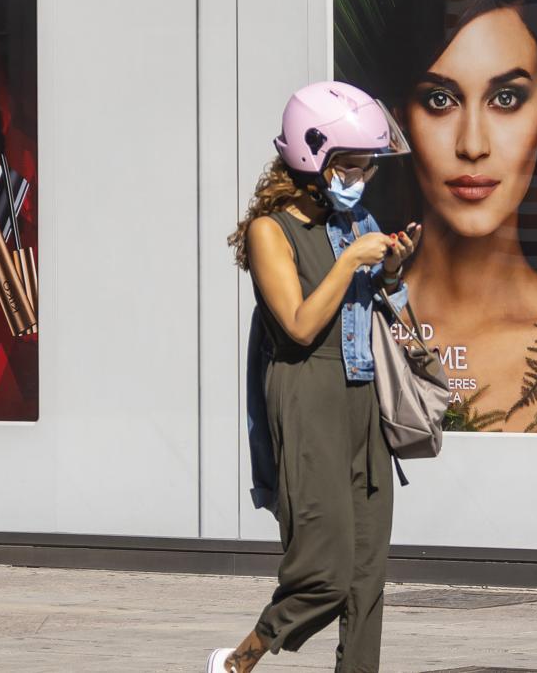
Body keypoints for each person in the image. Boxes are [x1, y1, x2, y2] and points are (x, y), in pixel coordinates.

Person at [345, 0, 537, 433]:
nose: (472, 145)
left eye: (506, 98)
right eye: (440, 100)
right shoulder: (351, 323)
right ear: (400, 120)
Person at [209, 81, 417, 673]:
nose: (363, 180)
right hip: (307, 393)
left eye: (367, 168)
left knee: (366, 573)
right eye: (351, 168)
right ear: (312, 160)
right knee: (324, 572)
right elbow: (300, 326)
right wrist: (353, 260)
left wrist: (392, 273)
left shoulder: (356, 221)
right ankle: (240, 659)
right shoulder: (270, 231)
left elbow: (366, 312)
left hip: (363, 395)